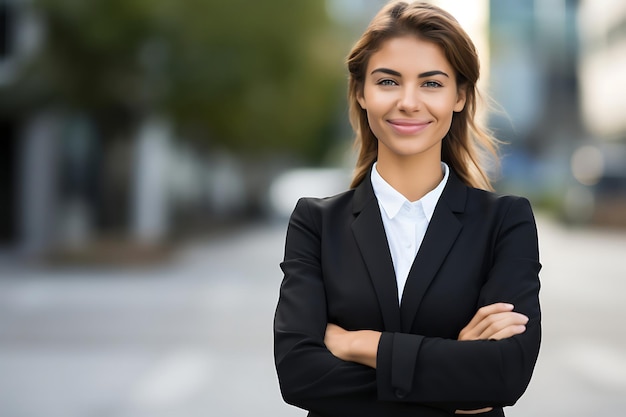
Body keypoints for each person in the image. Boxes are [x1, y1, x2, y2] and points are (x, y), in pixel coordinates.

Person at [273, 2, 541, 416]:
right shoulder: (316, 223)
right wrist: (454, 373)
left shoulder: (505, 222)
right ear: (361, 92)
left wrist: (357, 344)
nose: (409, 102)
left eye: (432, 83)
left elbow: (504, 375)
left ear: (460, 96)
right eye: (388, 82)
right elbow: (299, 375)